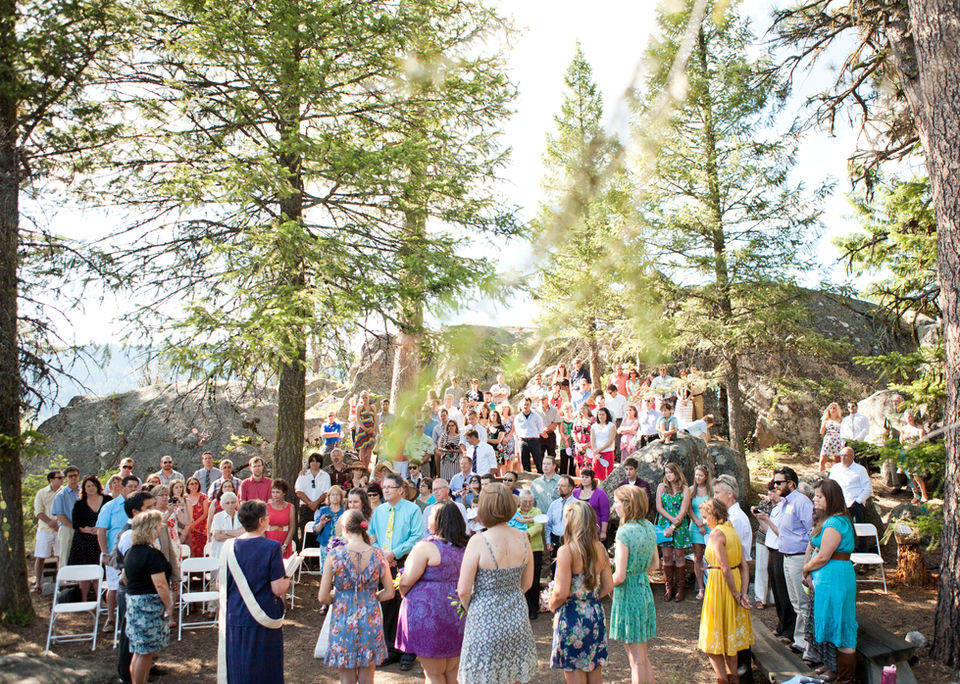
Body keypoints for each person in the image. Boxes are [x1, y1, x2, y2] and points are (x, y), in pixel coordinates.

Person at [457, 483, 537, 684]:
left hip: (485, 619)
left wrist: (473, 608)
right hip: (516, 617)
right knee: (514, 676)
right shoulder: (523, 537)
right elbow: (527, 583)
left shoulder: (478, 540)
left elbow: (463, 590)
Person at [318, 508, 394, 682]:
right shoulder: (378, 555)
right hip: (370, 617)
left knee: (347, 678)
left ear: (345, 529)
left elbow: (322, 597)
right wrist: (371, 598)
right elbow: (390, 592)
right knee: (368, 678)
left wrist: (339, 599)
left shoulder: (335, 556)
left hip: (343, 618)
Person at [396, 501, 469, 683]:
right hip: (456, 611)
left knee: (433, 673)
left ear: (439, 520)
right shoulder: (465, 547)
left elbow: (405, 581)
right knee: (452, 670)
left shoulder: (426, 547)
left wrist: (405, 595)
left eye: (431, 515)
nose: (427, 517)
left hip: (429, 614)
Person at [219, 500, 289, 684]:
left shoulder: (228, 547)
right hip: (263, 614)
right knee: (265, 669)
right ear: (261, 521)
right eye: (266, 516)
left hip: (236, 614)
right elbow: (277, 588)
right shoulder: (271, 547)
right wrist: (288, 580)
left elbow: (221, 583)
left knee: (240, 667)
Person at [549, 500, 612, 682]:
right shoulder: (600, 548)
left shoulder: (566, 551)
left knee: (574, 670)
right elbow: (608, 586)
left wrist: (551, 605)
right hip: (594, 614)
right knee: (594, 671)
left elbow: (561, 593)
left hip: (572, 616)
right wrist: (588, 598)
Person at [802, 480, 858, 684]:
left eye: (819, 497)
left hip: (836, 579)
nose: (815, 500)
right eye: (815, 496)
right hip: (826, 578)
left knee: (841, 626)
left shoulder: (836, 523)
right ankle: (832, 667)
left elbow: (824, 556)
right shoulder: (829, 519)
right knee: (829, 622)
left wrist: (806, 568)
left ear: (831, 498)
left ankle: (844, 678)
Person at [370, 472, 426, 670]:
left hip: (405, 562)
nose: (384, 490)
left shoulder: (412, 510)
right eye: (383, 487)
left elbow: (417, 536)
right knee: (388, 604)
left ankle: (408, 651)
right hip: (384, 564)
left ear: (400, 490)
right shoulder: (379, 511)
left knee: (406, 605)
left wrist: (395, 553)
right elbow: (372, 536)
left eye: (389, 487)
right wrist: (383, 554)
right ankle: (391, 648)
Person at [697, 497, 753, 683]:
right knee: (731, 632)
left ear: (714, 515)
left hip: (721, 585)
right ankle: (733, 677)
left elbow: (725, 567)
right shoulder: (732, 531)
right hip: (734, 581)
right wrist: (743, 592)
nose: (704, 521)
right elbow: (744, 565)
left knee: (714, 633)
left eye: (705, 517)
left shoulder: (716, 534)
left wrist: (736, 593)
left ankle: (722, 679)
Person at [762, 466, 813, 661]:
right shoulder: (784, 503)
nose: (775, 486)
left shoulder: (801, 502)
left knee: (804, 603)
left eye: (779, 483)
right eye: (774, 482)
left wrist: (808, 563)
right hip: (786, 556)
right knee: (796, 603)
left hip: (799, 557)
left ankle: (810, 646)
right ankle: (800, 641)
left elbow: (812, 533)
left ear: (791, 483)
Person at [610, 486, 658, 684]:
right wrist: (638, 571)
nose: (614, 506)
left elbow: (619, 576)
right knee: (640, 654)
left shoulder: (624, 532)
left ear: (627, 504)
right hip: (643, 589)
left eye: (617, 502)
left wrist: (602, 584)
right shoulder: (648, 526)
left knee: (636, 658)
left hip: (628, 593)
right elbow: (656, 564)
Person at [122, 510, 174, 684]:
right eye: (158, 525)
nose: (161, 528)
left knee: (141, 651)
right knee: (144, 653)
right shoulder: (151, 555)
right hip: (148, 606)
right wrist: (169, 605)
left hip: (134, 602)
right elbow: (160, 584)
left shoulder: (131, 552)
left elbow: (124, 577)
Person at [97, 475, 141, 624]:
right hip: (115, 553)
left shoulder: (140, 507)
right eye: (130, 486)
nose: (133, 489)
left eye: (136, 487)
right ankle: (110, 618)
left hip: (135, 553)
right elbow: (101, 531)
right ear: (122, 487)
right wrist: (105, 553)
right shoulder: (110, 506)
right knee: (114, 586)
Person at [756, 479, 795, 641]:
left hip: (781, 549)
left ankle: (789, 629)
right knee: (778, 593)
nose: (774, 493)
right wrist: (762, 519)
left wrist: (767, 520)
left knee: (784, 591)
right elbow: (768, 530)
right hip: (771, 547)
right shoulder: (777, 508)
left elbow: (782, 532)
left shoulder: (788, 508)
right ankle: (781, 624)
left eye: (777, 489)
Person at [67, 476, 111, 600]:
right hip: (83, 541)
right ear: (84, 489)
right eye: (88, 486)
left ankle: (100, 601)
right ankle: (84, 599)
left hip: (100, 540)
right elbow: (75, 523)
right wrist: (86, 529)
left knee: (99, 571)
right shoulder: (79, 503)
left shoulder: (107, 500)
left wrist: (100, 529)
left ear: (98, 486)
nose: (91, 488)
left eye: (93, 485)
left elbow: (111, 518)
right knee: (85, 572)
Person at [656, 462, 692, 601]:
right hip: (665, 523)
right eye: (666, 472)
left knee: (679, 555)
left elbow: (684, 510)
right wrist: (671, 522)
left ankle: (680, 588)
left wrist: (674, 525)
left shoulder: (684, 488)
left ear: (677, 473)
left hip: (679, 524)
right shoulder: (661, 487)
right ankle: (668, 587)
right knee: (666, 556)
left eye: (671, 472)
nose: (668, 475)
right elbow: (659, 507)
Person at [513, 490, 544, 619]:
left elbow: (538, 527)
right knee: (520, 579)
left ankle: (533, 608)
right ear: (520, 502)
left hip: (535, 549)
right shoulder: (515, 512)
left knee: (534, 579)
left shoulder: (536, 512)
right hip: (519, 550)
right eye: (525, 502)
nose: (527, 504)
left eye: (530, 502)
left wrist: (525, 534)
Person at [32, 469, 62, 590]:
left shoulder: (64, 492)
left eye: (62, 477)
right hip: (45, 528)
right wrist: (50, 522)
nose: (62, 479)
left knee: (61, 555)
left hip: (61, 528)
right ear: (51, 480)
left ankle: (61, 581)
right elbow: (38, 511)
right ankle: (38, 582)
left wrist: (59, 522)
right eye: (59, 477)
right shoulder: (41, 493)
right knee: (41, 555)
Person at [687, 464, 713, 600]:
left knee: (711, 557)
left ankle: (711, 585)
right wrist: (698, 522)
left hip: (709, 524)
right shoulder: (691, 490)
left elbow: (714, 508)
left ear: (706, 476)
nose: (698, 478)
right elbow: (689, 509)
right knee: (697, 557)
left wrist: (704, 522)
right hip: (695, 526)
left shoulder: (712, 491)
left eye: (700, 475)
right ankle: (701, 587)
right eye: (696, 475)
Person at [829, 446, 873, 525]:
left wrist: (857, 502)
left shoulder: (860, 469)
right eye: (841, 455)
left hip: (854, 505)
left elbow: (868, 489)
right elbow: (830, 485)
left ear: (852, 456)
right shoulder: (835, 468)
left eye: (846, 455)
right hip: (838, 505)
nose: (843, 458)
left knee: (857, 531)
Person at [295, 453, 331, 548]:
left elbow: (326, 492)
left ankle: (317, 562)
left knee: (319, 534)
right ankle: (306, 561)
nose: (314, 463)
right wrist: (310, 503)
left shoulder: (325, 476)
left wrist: (316, 503)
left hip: (321, 508)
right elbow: (299, 491)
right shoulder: (303, 475)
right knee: (305, 536)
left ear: (320, 463)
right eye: (312, 461)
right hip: (306, 509)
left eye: (317, 461)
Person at [52, 466, 81, 565]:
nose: (73, 478)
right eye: (70, 476)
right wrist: (74, 526)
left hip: (84, 528)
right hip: (67, 528)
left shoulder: (84, 491)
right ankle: (65, 579)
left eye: (75, 475)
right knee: (65, 555)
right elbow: (59, 515)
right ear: (66, 478)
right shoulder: (61, 495)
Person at [572, 468, 610, 543]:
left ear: (592, 479)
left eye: (587, 477)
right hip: (578, 529)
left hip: (594, 529)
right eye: (582, 477)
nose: (584, 479)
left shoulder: (600, 493)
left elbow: (605, 514)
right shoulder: (575, 493)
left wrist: (603, 531)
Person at [312, 485, 346, 569]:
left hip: (342, 544)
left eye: (338, 494)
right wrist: (321, 523)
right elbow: (315, 530)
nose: (335, 497)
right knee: (326, 569)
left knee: (340, 569)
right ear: (329, 497)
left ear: (341, 497)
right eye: (333, 495)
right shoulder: (323, 510)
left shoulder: (345, 510)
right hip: (326, 544)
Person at [899, 410, 929, 502]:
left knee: (917, 476)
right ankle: (916, 495)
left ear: (914, 417)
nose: (908, 418)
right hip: (906, 454)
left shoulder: (920, 428)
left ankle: (924, 495)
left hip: (915, 454)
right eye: (906, 417)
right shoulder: (903, 429)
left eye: (910, 416)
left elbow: (922, 442)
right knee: (909, 476)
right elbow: (901, 442)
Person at [265, 479, 295, 558]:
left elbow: (292, 527)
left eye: (278, 492)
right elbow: (261, 527)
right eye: (273, 492)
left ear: (284, 493)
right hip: (269, 539)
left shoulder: (290, 507)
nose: (275, 495)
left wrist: (285, 545)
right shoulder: (266, 507)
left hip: (284, 540)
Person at [209, 492, 243, 561]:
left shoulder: (242, 516)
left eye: (232, 502)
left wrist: (225, 532)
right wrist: (236, 535)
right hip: (220, 552)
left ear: (236, 503)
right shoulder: (218, 517)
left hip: (237, 551)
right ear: (223, 505)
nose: (230, 505)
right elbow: (217, 536)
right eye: (227, 503)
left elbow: (244, 534)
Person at [515, 396, 545, 473]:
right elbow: (516, 429)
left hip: (534, 440)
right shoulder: (518, 417)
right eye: (524, 404)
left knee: (538, 462)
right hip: (523, 441)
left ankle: (541, 479)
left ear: (530, 405)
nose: (526, 406)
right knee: (525, 464)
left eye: (527, 404)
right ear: (521, 405)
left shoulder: (536, 416)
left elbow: (540, 429)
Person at [182, 476, 209, 559]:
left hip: (200, 528)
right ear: (188, 486)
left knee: (201, 549)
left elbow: (205, 514)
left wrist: (194, 524)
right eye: (192, 484)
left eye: (196, 483)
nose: (194, 485)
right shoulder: (184, 497)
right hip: (188, 528)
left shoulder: (203, 497)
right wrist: (189, 525)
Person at [589, 407, 616, 481]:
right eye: (599, 414)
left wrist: (599, 449)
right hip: (597, 454)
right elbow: (592, 440)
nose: (601, 416)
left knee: (608, 475)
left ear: (607, 415)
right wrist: (595, 451)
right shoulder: (594, 426)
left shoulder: (611, 426)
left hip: (607, 452)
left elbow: (610, 440)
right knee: (598, 476)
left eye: (603, 415)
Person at [354, 391, 378, 469]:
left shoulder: (373, 407)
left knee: (369, 448)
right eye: (363, 397)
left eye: (366, 397)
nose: (364, 399)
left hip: (371, 429)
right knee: (363, 448)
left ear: (369, 397)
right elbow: (358, 419)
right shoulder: (360, 407)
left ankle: (367, 467)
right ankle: (362, 466)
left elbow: (375, 418)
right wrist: (364, 428)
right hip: (362, 429)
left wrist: (373, 428)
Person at [819, 402, 844, 471]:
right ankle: (821, 476)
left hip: (838, 440)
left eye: (834, 408)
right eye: (831, 408)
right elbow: (821, 432)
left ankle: (837, 476)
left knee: (838, 461)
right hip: (828, 439)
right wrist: (824, 424)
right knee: (822, 460)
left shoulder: (841, 420)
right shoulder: (826, 419)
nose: (832, 410)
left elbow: (844, 431)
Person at [537, 393, 562, 460]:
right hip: (540, 436)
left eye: (543, 399)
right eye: (540, 400)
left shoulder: (554, 410)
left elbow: (556, 422)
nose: (541, 401)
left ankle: (553, 470)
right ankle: (540, 470)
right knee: (539, 456)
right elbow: (535, 424)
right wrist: (542, 432)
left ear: (547, 399)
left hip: (550, 435)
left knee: (552, 456)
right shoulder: (536, 411)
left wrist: (546, 430)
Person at [572, 403, 594, 472]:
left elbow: (596, 434)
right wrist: (578, 444)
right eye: (581, 409)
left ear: (588, 409)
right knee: (579, 465)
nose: (582, 410)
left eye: (584, 408)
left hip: (589, 446)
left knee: (589, 465)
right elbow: (574, 432)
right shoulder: (577, 420)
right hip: (579, 447)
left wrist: (588, 444)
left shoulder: (593, 420)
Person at [499, 404, 519, 474]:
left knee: (510, 460)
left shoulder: (512, 417)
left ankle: (509, 476)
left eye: (506, 407)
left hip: (510, 440)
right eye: (503, 407)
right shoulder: (499, 418)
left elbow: (513, 429)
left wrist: (507, 438)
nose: (505, 408)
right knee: (503, 461)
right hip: (501, 440)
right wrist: (502, 438)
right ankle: (503, 477)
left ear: (509, 408)